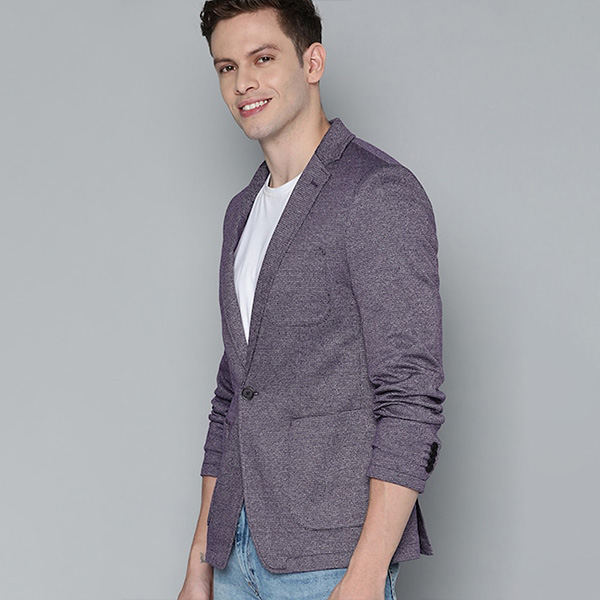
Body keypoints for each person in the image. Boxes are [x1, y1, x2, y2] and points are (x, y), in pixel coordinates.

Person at [177, 1, 445, 599]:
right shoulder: (241, 212)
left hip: (331, 560)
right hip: (234, 553)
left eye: (262, 59)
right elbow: (233, 395)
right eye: (226, 67)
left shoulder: (376, 193)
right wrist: (200, 560)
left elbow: (411, 398)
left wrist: (367, 573)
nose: (243, 83)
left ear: (313, 62)